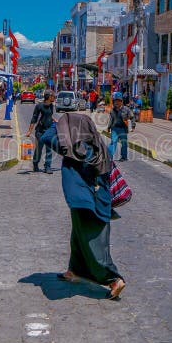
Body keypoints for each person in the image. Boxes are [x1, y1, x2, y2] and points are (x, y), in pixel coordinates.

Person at [53, 113, 125, 300]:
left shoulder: (72, 149)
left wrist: (57, 126)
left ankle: (113, 279)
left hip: (89, 205)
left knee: (93, 244)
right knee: (78, 236)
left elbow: (45, 137)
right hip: (96, 201)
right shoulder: (101, 148)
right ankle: (74, 271)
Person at [26, 90, 56, 173]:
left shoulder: (51, 106)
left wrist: (54, 120)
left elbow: (49, 115)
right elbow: (34, 119)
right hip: (40, 131)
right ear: (49, 97)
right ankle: (35, 164)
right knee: (39, 149)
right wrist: (29, 131)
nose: (54, 97)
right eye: (53, 96)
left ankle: (47, 166)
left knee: (49, 150)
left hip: (49, 131)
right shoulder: (39, 106)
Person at [107, 96, 132, 161]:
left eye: (118, 101)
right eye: (115, 101)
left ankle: (124, 157)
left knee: (124, 143)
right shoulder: (112, 110)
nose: (117, 102)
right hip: (114, 128)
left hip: (123, 129)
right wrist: (109, 127)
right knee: (113, 142)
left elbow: (132, 116)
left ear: (121, 102)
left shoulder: (126, 109)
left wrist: (133, 126)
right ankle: (109, 157)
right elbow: (111, 119)